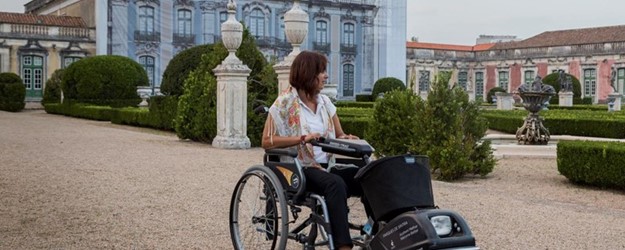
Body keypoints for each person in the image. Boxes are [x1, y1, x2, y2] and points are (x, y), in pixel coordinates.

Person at [261, 51, 361, 250]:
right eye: (321, 71)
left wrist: (347, 138)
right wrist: (302, 139)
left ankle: (376, 232)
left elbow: (339, 134)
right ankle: (343, 246)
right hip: (301, 167)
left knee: (369, 175)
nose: (325, 76)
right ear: (308, 74)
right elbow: (267, 141)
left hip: (328, 166)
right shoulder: (284, 103)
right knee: (336, 185)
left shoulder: (325, 103)